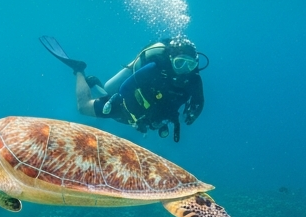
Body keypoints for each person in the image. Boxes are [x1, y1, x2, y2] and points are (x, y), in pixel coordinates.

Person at [41, 34, 205, 142]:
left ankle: (96, 85)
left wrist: (193, 113)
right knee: (83, 107)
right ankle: (79, 70)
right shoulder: (155, 68)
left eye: (190, 65)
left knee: (105, 96)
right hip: (126, 107)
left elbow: (199, 101)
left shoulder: (194, 80)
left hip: (146, 116)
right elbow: (127, 87)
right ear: (171, 60)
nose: (184, 69)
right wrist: (125, 107)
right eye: (179, 63)